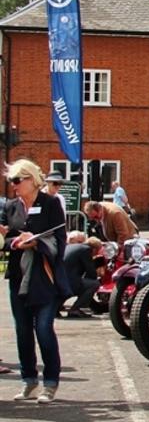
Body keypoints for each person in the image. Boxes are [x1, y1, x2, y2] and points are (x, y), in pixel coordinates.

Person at [3, 160, 71, 403]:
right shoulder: (11, 206)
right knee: (22, 330)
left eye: (17, 180)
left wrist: (37, 243)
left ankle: (50, 382)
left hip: (45, 276)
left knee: (43, 328)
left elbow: (60, 239)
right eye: (11, 181)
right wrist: (15, 242)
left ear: (31, 179)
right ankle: (28, 380)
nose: (14, 186)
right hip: (19, 276)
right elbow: (7, 238)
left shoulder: (51, 203)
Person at [62, 232, 102, 319]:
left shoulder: (69, 246)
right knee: (94, 284)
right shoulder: (86, 250)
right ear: (94, 249)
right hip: (70, 282)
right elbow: (91, 272)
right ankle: (75, 309)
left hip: (60, 280)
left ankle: (57, 307)